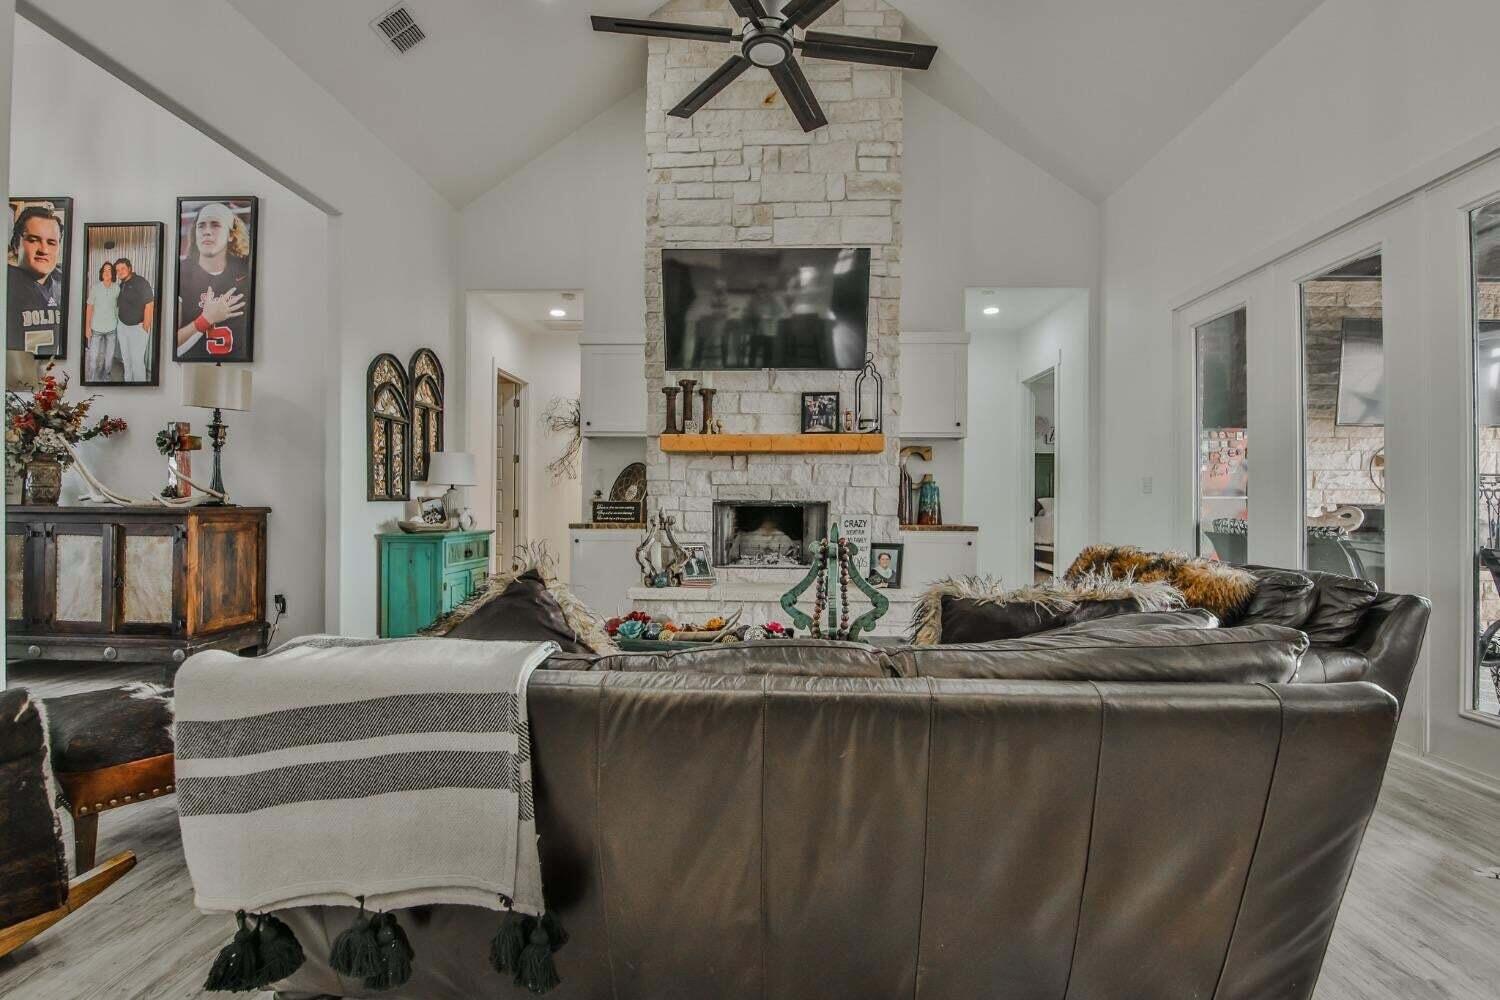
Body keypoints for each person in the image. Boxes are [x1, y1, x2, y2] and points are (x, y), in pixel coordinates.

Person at [176, 201, 251, 361]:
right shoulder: (182, 273)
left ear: (231, 234)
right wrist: (205, 320)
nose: (207, 232)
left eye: (215, 225)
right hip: (193, 369)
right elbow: (171, 347)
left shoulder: (246, 271)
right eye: (201, 226)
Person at [7, 205, 65, 353]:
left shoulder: (64, 280)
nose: (44, 250)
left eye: (51, 243)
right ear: (15, 244)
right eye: (33, 240)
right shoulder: (7, 283)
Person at [114, 257, 155, 383]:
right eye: (117, 270)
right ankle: (128, 384)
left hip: (137, 329)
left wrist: (145, 328)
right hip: (122, 327)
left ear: (130, 268)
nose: (120, 272)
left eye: (123, 268)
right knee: (126, 360)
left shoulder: (141, 282)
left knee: (137, 361)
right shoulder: (122, 285)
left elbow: (150, 304)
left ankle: (139, 388)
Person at [84, 261, 120, 382]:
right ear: (101, 273)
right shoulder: (95, 288)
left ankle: (106, 378)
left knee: (109, 358)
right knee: (93, 358)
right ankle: (92, 379)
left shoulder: (117, 288)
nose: (106, 272)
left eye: (109, 270)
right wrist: (87, 328)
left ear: (113, 273)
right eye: (104, 270)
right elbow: (89, 308)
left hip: (112, 329)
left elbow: (118, 308)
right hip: (96, 329)